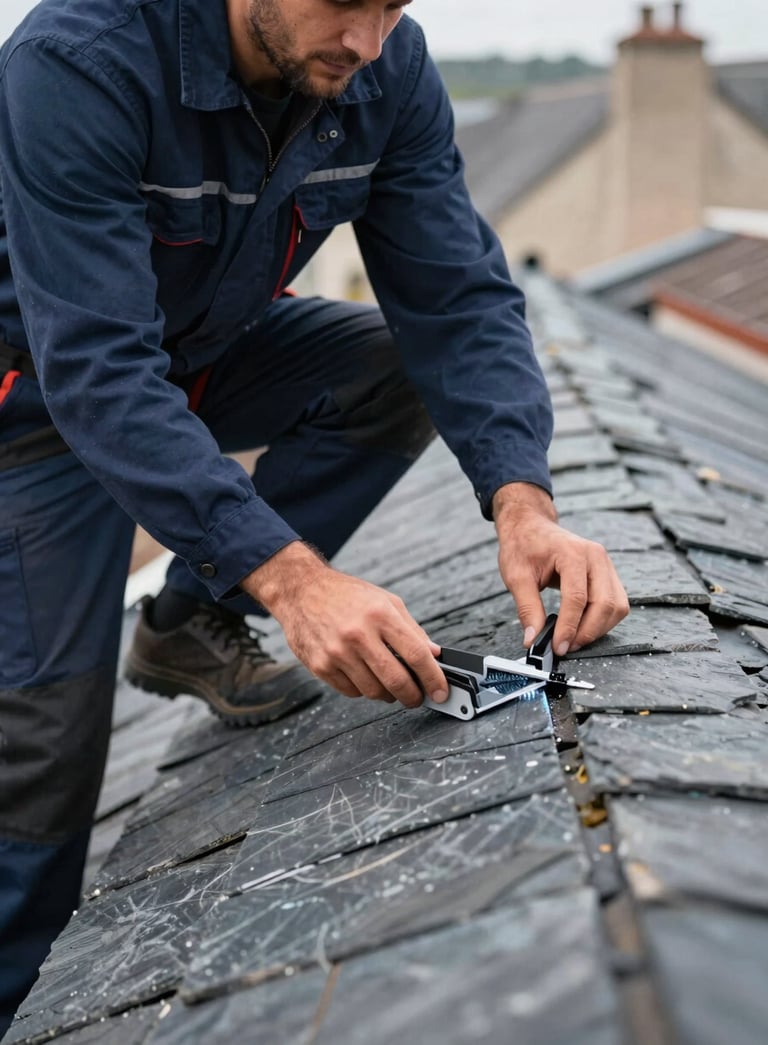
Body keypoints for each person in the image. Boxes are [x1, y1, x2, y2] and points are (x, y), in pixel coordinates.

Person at [0, 0, 629, 1029]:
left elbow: (458, 298)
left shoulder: (383, 68)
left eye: (395, 7)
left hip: (201, 358)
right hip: (38, 402)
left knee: (392, 368)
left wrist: (524, 501)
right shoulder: (79, 61)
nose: (369, 42)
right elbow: (98, 371)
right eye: (344, 2)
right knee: (39, 769)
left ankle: (186, 626)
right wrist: (293, 578)